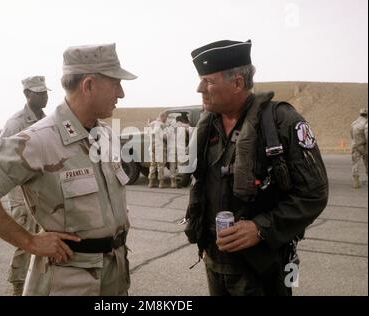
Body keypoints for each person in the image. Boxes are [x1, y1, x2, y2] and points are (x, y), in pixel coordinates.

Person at [0, 43, 137, 295]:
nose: (121, 93)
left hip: (115, 275)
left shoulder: (105, 135)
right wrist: (29, 241)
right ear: (89, 85)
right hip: (70, 282)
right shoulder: (37, 141)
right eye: (115, 83)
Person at [184, 39, 328, 296]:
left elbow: (313, 194)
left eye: (209, 81)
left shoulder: (282, 122)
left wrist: (261, 228)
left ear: (237, 82)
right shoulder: (208, 127)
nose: (199, 89)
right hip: (215, 263)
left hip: (263, 268)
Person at [0, 75, 50, 295]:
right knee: (26, 237)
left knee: (46, 236)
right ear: (27, 94)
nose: (44, 97)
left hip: (41, 188)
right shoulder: (16, 123)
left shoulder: (46, 119)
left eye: (46, 92)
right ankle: (18, 286)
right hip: (20, 190)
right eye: (39, 93)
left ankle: (39, 284)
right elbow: (1, 160)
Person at [148, 112, 170, 188]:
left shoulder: (151, 125)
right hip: (159, 148)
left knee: (152, 165)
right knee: (160, 166)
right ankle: (161, 183)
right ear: (163, 117)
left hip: (152, 148)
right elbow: (165, 137)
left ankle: (151, 182)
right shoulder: (162, 125)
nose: (166, 120)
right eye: (166, 118)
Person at [350, 108, 368, 188]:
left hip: (355, 145)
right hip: (364, 146)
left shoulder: (354, 123)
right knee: (367, 162)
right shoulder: (366, 123)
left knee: (355, 163)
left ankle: (356, 183)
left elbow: (351, 135)